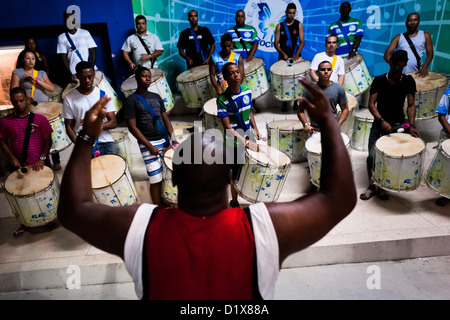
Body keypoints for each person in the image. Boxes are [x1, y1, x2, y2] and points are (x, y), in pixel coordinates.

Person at [57, 74, 356, 300]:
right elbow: (339, 200)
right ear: (230, 180)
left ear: (173, 179)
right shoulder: (264, 229)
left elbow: (73, 210)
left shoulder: (141, 229)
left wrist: (85, 137)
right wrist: (329, 121)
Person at [360, 50, 420, 201]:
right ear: (390, 61)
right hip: (379, 123)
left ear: (405, 63)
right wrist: (381, 121)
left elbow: (411, 105)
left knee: (392, 157)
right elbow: (371, 104)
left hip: (399, 124)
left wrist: (411, 125)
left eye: (401, 61)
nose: (398, 64)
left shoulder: (408, 81)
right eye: (395, 61)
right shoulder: (380, 80)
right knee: (372, 157)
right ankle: (371, 186)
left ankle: (382, 186)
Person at [0, 87, 53, 236]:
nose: (19, 104)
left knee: (42, 194)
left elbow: (48, 141)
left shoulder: (40, 119)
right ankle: (25, 223)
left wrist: (42, 158)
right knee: (22, 197)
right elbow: (2, 141)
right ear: (11, 102)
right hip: (20, 164)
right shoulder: (5, 121)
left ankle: (50, 219)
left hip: (39, 163)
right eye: (15, 101)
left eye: (21, 100)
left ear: (27, 99)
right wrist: (12, 158)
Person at [122, 66, 177, 206]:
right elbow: (132, 127)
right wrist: (149, 146)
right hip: (148, 142)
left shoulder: (156, 97)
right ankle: (157, 209)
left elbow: (166, 120)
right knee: (155, 178)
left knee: (168, 175)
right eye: (143, 76)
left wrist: (173, 139)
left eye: (149, 76)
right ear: (136, 78)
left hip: (164, 140)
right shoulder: (131, 101)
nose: (147, 79)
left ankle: (167, 202)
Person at [216, 62, 261, 208]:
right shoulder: (222, 100)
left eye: (237, 72)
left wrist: (256, 129)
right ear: (225, 77)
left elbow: (249, 111)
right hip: (233, 143)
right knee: (234, 174)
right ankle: (234, 202)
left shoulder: (247, 91)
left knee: (250, 169)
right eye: (231, 73)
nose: (236, 75)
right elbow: (227, 127)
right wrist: (245, 142)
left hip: (248, 137)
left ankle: (252, 196)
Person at [10, 49, 62, 171]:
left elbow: (51, 87)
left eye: (33, 58)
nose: (31, 60)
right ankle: (36, 159)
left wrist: (36, 81)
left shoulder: (41, 73)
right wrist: (24, 97)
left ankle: (56, 159)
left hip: (45, 107)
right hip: (29, 108)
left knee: (49, 132)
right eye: (28, 58)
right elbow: (13, 90)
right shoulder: (17, 72)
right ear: (22, 59)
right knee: (34, 135)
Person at [62, 61, 116, 156]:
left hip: (106, 143)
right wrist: (78, 143)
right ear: (77, 76)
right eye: (83, 77)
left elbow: (113, 123)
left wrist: (94, 125)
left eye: (90, 77)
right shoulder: (69, 98)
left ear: (94, 75)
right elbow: (68, 127)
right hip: (85, 144)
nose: (87, 80)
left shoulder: (103, 95)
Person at [298, 61, 349, 133]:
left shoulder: (338, 89)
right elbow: (300, 111)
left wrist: (338, 124)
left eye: (329, 70)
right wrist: (305, 124)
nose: (326, 72)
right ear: (317, 72)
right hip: (314, 130)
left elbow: (345, 109)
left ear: (332, 72)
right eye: (323, 69)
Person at [274, 3, 305, 111]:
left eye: (293, 13)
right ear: (286, 13)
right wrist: (283, 54)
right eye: (289, 13)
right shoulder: (279, 26)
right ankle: (284, 103)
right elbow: (276, 43)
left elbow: (302, 42)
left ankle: (296, 101)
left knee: (297, 79)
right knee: (284, 79)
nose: (291, 15)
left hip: (295, 55)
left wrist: (297, 54)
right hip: (283, 56)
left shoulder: (298, 24)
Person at [384, 12, 434, 77]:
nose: (412, 23)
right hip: (400, 75)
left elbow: (430, 54)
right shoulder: (398, 37)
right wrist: (395, 67)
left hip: (417, 73)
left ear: (418, 22)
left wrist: (425, 67)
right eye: (409, 20)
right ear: (406, 23)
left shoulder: (425, 35)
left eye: (415, 20)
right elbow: (386, 55)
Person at [57, 10, 97, 83]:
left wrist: (92, 68)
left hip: (89, 70)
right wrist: (70, 73)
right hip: (74, 72)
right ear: (64, 21)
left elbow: (93, 51)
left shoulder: (85, 33)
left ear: (74, 20)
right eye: (67, 19)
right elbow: (63, 57)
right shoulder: (62, 37)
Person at [434, 88, 450, 207]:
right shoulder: (449, 93)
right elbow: (441, 116)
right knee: (446, 168)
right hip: (448, 133)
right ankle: (445, 194)